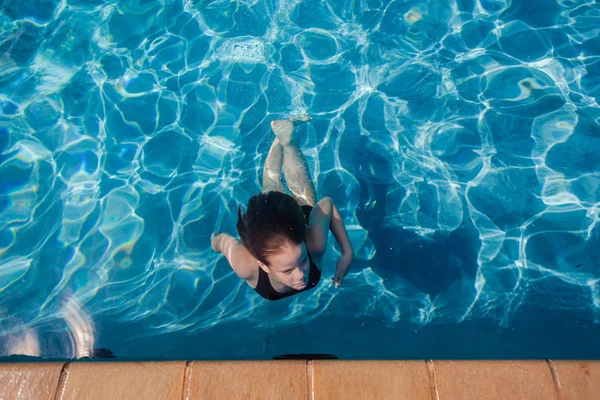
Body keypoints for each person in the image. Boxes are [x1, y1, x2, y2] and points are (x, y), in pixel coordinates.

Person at [211, 116, 354, 300]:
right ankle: (286, 140)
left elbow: (327, 204)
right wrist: (214, 241)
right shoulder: (247, 266)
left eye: (303, 260)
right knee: (294, 191)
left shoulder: (314, 244)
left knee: (274, 187)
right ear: (263, 265)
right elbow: (224, 242)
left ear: (304, 244)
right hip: (276, 225)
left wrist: (347, 252)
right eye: (287, 270)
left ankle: (286, 140)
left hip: (296, 221)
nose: (301, 274)